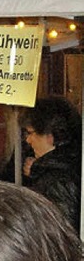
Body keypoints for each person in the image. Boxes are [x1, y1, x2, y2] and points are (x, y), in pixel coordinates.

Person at [20, 96, 81, 230]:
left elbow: (58, 233)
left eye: (30, 133)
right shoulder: (69, 165)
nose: (28, 140)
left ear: (50, 135)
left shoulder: (59, 181)